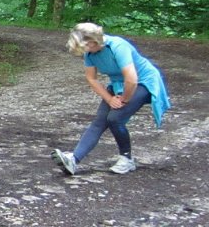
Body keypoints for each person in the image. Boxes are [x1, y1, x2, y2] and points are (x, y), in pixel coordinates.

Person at [52, 22, 170, 176]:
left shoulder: (118, 47)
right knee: (100, 120)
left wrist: (124, 100)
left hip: (143, 81)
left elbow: (132, 79)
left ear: (93, 41)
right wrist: (109, 99)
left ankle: (127, 159)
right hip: (119, 84)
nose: (82, 52)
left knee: (115, 118)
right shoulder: (90, 54)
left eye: (83, 47)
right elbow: (92, 79)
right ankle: (73, 160)